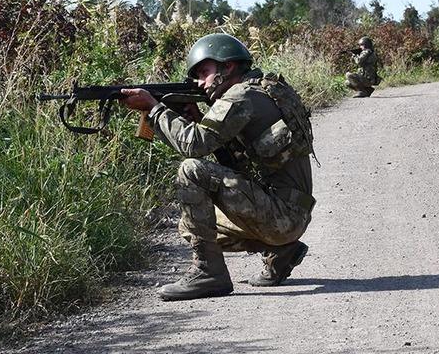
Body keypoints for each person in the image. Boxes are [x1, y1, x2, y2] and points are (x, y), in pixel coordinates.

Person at [119, 32, 316, 301]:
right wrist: (198, 118)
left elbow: (195, 146)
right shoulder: (262, 90)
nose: (200, 83)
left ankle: (209, 274)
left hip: (282, 216)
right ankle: (282, 251)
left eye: (204, 72)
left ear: (228, 66)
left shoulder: (240, 97)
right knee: (190, 226)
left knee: (191, 170)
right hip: (288, 214)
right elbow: (240, 163)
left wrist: (154, 109)